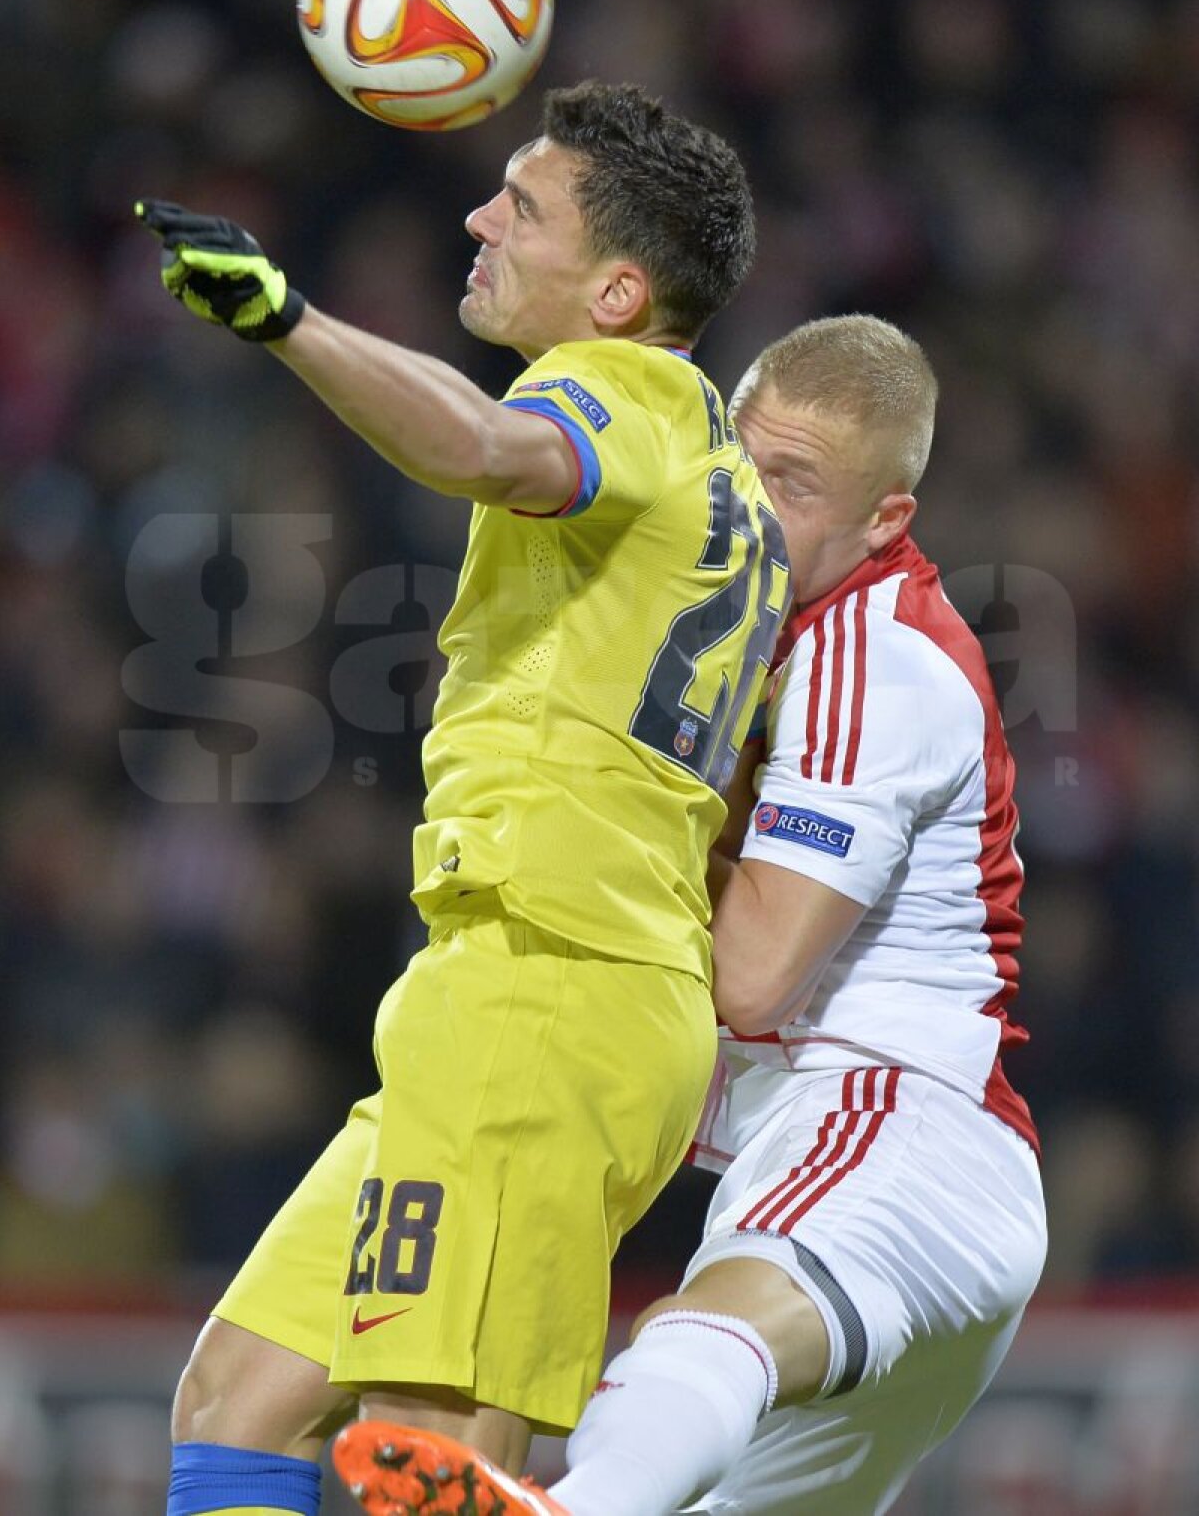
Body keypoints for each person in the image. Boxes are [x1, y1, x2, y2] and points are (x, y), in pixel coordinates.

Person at [137, 81, 791, 1516]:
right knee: (239, 1391)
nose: (478, 217)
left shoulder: (619, 395)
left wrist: (284, 319)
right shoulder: (719, 471)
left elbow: (490, 451)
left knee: (423, 1458)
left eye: (524, 205)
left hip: (542, 1002)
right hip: (531, 993)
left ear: (619, 290)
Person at [350, 314, 1047, 1515]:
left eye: (799, 484)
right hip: (854, 1178)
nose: (757, 504)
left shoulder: (869, 658)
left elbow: (754, 976)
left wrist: (595, 843)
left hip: (888, 1119)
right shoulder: (730, 621)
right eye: (745, 460)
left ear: (886, 518)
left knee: (701, 1325)